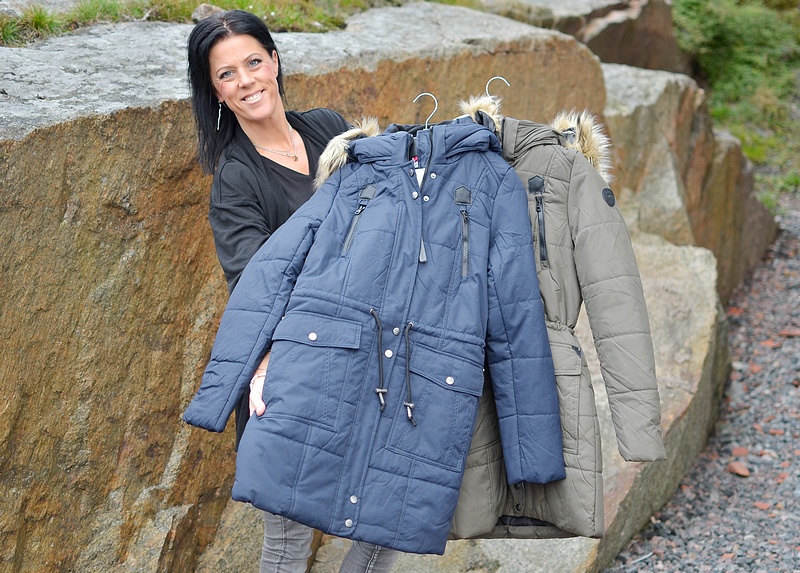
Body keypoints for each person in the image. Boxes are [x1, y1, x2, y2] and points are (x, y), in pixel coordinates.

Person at [186, 10, 399, 573]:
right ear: (215, 91)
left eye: (254, 62)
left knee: (388, 516)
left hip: (367, 351)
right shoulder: (236, 178)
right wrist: (264, 364)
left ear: (275, 62)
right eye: (227, 74)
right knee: (287, 542)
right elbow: (254, 285)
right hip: (295, 365)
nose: (246, 81)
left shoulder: (328, 127)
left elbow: (391, 211)